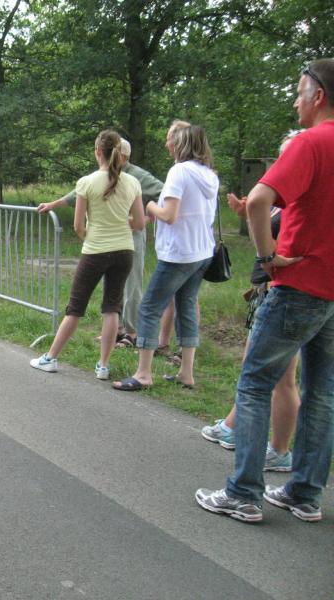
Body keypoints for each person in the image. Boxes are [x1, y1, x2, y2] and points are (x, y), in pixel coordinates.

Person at [196, 59, 334, 524]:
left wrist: (267, 255)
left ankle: (243, 493)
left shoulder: (310, 142)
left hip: (297, 286)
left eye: (299, 92)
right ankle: (304, 493)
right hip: (331, 292)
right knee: (322, 392)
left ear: (319, 95)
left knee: (255, 383)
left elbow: (259, 200)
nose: (295, 102)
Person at [201, 131, 303, 472]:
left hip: (279, 290)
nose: (280, 163)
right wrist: (248, 211)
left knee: (277, 376)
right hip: (269, 290)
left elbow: (289, 242)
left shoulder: (301, 197)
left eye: (286, 156)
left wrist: (271, 262)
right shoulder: (287, 196)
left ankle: (276, 450)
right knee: (262, 369)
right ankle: (237, 427)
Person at [30, 130, 145, 379]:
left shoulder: (87, 182)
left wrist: (89, 238)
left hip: (95, 250)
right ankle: (103, 366)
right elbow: (139, 223)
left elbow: (78, 225)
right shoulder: (132, 182)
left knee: (75, 307)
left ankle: (50, 358)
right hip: (124, 251)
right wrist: (119, 222)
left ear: (97, 152)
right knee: (112, 308)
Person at [113, 121, 218, 391]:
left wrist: (149, 205)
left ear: (183, 144)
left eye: (174, 140)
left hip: (179, 254)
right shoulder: (209, 174)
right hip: (202, 252)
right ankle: (186, 373)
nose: (169, 144)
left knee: (149, 307)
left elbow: (169, 215)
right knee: (186, 307)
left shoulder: (179, 171)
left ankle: (143, 374)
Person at [50, 137, 163, 348]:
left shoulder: (135, 176)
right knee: (111, 295)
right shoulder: (106, 177)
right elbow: (77, 194)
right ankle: (114, 335)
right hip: (112, 243)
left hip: (124, 239)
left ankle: (132, 331)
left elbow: (164, 193)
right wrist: (53, 204)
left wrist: (149, 215)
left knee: (130, 286)